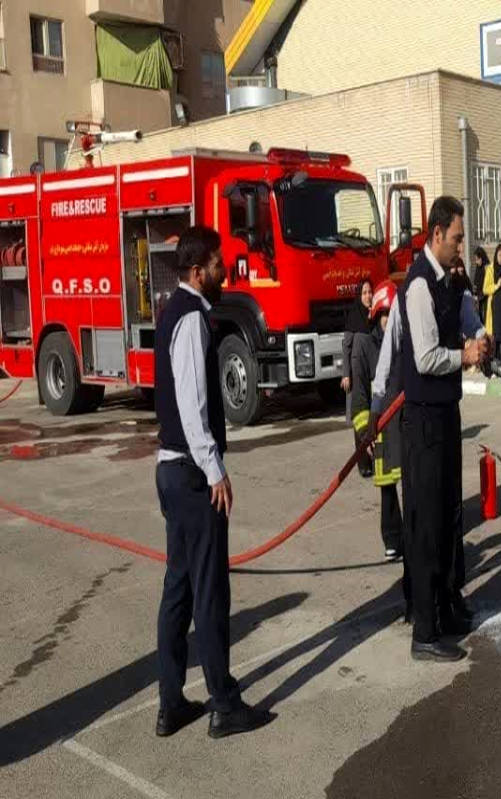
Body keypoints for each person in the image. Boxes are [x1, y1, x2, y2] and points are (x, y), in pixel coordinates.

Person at [154, 226, 272, 739]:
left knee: (179, 586)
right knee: (208, 590)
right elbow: (193, 405)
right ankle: (223, 703)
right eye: (221, 264)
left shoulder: (174, 313)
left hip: (173, 470)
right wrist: (214, 469)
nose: (228, 271)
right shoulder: (191, 321)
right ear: (198, 271)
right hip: (189, 472)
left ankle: (171, 702)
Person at [389, 195, 491, 661]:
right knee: (427, 524)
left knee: (450, 516)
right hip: (424, 422)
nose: (460, 246)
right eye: (455, 238)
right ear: (435, 235)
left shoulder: (449, 282)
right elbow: (428, 357)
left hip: (446, 415)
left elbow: (467, 321)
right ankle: (424, 631)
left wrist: (480, 339)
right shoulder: (417, 287)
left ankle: (448, 606)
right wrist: (465, 357)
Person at [350, 281, 405, 562]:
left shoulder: (404, 343)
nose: (388, 322)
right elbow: (358, 395)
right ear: (376, 317)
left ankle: (413, 535)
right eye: (384, 317)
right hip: (380, 429)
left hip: (405, 425)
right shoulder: (364, 345)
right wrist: (363, 431)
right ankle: (392, 538)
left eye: (392, 316)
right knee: (387, 489)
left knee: (411, 484)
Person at [341, 278, 374, 475]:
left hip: (370, 374)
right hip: (356, 374)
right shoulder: (354, 317)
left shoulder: (374, 315)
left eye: (370, 292)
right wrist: (346, 375)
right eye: (364, 293)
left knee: (371, 416)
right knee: (359, 419)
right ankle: (363, 464)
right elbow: (346, 347)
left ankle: (372, 458)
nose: (368, 296)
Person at [482, 243, 501, 350]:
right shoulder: (490, 269)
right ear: (496, 256)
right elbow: (485, 289)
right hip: (494, 305)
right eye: (499, 255)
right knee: (495, 336)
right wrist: (497, 285)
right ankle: (495, 360)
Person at [471, 246, 488, 319]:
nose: (476, 262)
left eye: (478, 259)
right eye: (475, 260)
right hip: (479, 299)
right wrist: (474, 294)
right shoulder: (478, 268)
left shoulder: (487, 268)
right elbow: (476, 282)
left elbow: (487, 284)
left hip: (485, 299)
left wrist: (479, 296)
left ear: (482, 258)